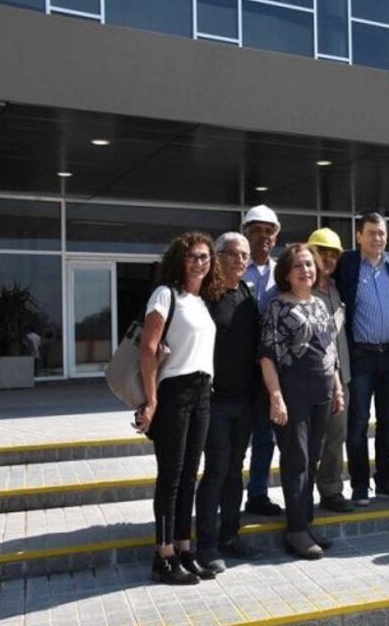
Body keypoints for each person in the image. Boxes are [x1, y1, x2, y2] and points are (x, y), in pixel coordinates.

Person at [135, 231, 221, 584]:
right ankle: (163, 556)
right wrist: (151, 400)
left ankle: (185, 549)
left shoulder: (202, 302)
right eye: (192, 256)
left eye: (204, 257)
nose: (199, 262)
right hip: (174, 393)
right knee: (170, 477)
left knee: (189, 475)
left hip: (203, 392)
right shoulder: (164, 295)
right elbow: (148, 348)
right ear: (178, 260)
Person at [258, 243, 344, 559]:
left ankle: (306, 522)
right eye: (298, 266)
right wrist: (276, 397)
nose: (305, 270)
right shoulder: (277, 307)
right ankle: (294, 530)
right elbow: (267, 356)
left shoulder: (320, 305)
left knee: (312, 460)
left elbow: (330, 351)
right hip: (292, 396)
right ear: (286, 272)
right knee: (296, 461)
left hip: (322, 396)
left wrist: (337, 388)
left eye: (309, 265)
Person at [334, 212, 389, 506]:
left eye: (381, 233)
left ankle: (386, 481)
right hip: (361, 356)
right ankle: (359, 485)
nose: (377, 239)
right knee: (357, 424)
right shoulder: (348, 263)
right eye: (371, 233)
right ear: (358, 236)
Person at [194, 232, 262, 574]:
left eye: (244, 255)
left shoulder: (247, 294)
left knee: (236, 471)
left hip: (244, 400)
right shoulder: (206, 296)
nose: (240, 260)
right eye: (233, 254)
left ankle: (230, 534)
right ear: (218, 257)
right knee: (217, 470)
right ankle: (205, 545)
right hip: (215, 401)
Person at [241, 204, 284, 517]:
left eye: (270, 231)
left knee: (264, 435)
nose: (264, 237)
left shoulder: (282, 271)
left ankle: (257, 494)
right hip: (236, 365)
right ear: (246, 234)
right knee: (233, 436)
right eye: (257, 230)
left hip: (271, 366)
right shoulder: (232, 268)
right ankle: (225, 494)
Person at [308, 228, 354, 513]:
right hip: (311, 380)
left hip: (342, 377)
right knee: (311, 440)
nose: (327, 258)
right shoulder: (301, 289)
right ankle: (301, 494)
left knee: (337, 437)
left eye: (332, 254)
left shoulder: (337, 289)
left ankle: (331, 490)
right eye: (321, 252)